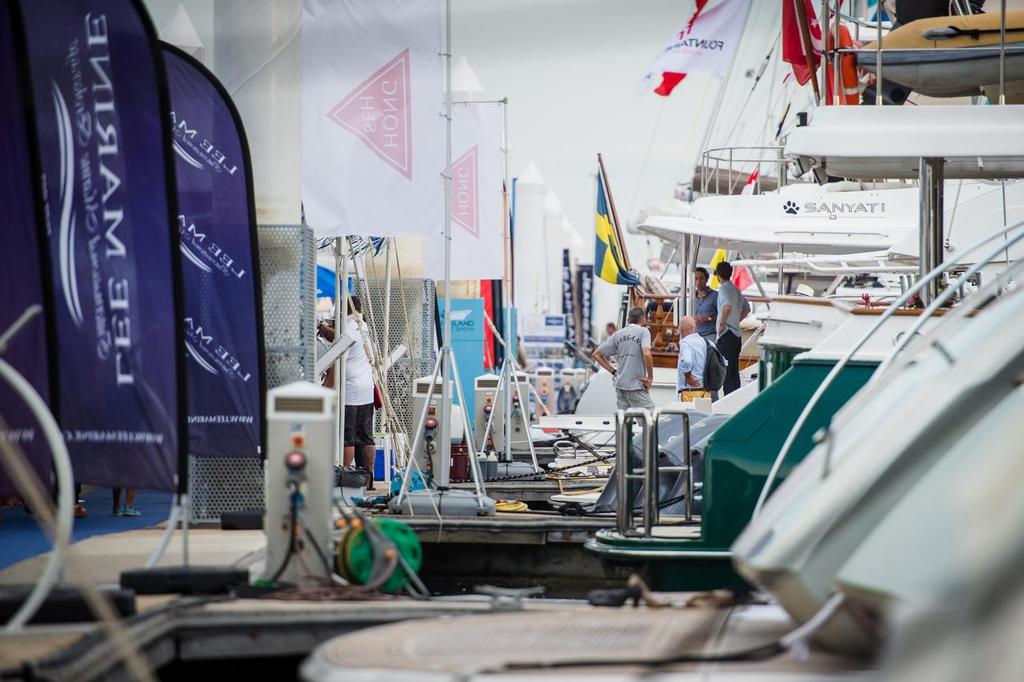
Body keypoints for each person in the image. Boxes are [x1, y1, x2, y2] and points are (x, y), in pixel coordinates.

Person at [318, 296, 378, 488]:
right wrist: (325, 328)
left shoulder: (348, 329)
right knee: (366, 436)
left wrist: (320, 327)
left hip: (350, 391)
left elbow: (337, 346)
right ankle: (368, 478)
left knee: (348, 437)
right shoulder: (365, 328)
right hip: (367, 390)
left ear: (345, 311)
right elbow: (336, 336)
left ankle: (345, 477)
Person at [593, 307, 655, 410]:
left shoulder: (618, 334)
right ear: (643, 320)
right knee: (651, 421)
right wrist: (650, 377)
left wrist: (614, 372)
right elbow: (647, 354)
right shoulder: (644, 332)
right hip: (636, 386)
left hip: (620, 386)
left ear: (628, 320)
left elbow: (596, 354)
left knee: (624, 422)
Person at [715, 261, 751, 395]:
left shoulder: (723, 288)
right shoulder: (736, 289)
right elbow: (747, 308)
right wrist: (737, 320)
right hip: (736, 334)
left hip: (726, 334)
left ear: (718, 275)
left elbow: (727, 306)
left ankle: (727, 401)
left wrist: (722, 325)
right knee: (734, 371)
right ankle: (735, 398)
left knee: (726, 371)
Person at [676, 316, 710, 401]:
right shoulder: (705, 342)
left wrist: (688, 376)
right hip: (705, 392)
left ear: (682, 329)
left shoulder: (686, 343)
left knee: (688, 414)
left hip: (690, 392)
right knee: (704, 414)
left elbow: (687, 361)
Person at [693, 267, 718, 340]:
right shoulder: (691, 298)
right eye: (696, 279)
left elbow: (723, 316)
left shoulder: (715, 296)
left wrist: (708, 318)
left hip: (711, 335)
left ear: (707, 279)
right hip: (694, 335)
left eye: (701, 278)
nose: (698, 282)